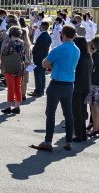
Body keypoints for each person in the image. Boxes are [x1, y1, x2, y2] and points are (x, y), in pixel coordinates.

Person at [30, 24, 80, 152]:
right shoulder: (76, 49)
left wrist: (54, 65)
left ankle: (48, 141)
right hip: (69, 83)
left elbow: (44, 63)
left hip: (57, 82)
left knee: (50, 113)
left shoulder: (59, 49)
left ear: (63, 34)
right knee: (68, 113)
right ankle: (68, 141)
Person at [0, 26, 28, 114]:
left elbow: (4, 53)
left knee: (10, 87)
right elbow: (23, 55)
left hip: (10, 67)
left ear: (11, 33)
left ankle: (9, 106)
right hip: (19, 67)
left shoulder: (9, 43)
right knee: (17, 87)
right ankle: (17, 106)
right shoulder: (22, 42)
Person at [70, 35, 93, 142]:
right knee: (82, 111)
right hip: (86, 86)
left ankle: (79, 134)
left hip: (77, 86)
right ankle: (82, 134)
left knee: (76, 112)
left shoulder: (78, 57)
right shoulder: (88, 57)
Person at [29, 21, 52, 98]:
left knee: (38, 74)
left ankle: (38, 90)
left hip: (39, 57)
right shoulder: (48, 36)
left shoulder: (42, 36)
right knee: (42, 74)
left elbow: (36, 47)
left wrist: (33, 51)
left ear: (42, 27)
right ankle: (41, 89)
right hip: (44, 56)